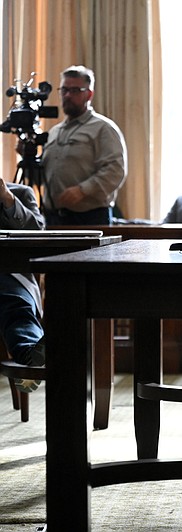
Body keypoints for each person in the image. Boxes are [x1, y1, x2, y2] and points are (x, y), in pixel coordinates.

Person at [40, 65, 127, 226]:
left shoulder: (103, 128)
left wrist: (83, 190)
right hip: (53, 219)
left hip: (89, 218)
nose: (67, 95)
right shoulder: (54, 132)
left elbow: (115, 170)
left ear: (89, 94)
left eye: (74, 91)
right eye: (64, 90)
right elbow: (45, 175)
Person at [0, 179, 46, 392]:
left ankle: (31, 354)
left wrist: (8, 199)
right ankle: (28, 356)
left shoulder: (21, 192)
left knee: (16, 304)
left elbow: (38, 230)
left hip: (12, 277)